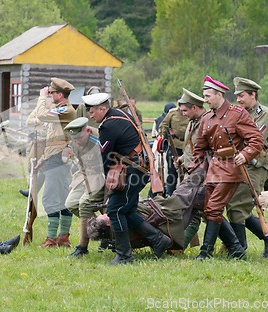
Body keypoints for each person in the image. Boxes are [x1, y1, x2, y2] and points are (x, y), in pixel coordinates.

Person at [84, 92, 171, 264]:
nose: (90, 114)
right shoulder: (119, 114)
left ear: (102, 108)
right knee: (128, 210)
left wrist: (110, 185)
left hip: (131, 172)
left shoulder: (108, 126)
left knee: (115, 211)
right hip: (138, 169)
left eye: (92, 111)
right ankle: (159, 240)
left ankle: (124, 256)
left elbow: (106, 159)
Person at [186, 75, 264, 260]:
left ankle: (205, 252)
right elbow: (200, 148)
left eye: (207, 96)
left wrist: (244, 155)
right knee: (208, 210)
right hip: (213, 169)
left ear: (219, 95)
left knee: (213, 208)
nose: (204, 100)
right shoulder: (206, 118)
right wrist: (192, 168)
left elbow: (256, 139)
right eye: (204, 96)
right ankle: (236, 249)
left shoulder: (237, 113)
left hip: (231, 169)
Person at [225, 77, 268, 258]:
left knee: (237, 205)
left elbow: (253, 139)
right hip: (241, 163)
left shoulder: (262, 113)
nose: (239, 99)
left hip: (257, 164)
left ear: (253, 95)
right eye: (237, 96)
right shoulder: (238, 112)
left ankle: (239, 248)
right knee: (236, 205)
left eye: (242, 95)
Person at [34, 77, 76, 247]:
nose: (50, 94)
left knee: (51, 197)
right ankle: (62, 238)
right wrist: (43, 159)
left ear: (60, 94)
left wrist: (41, 98)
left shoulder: (65, 110)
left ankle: (53, 239)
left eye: (52, 93)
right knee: (62, 197)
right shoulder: (61, 109)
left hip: (59, 157)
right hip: (55, 156)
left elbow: (41, 116)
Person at [63, 117, 105, 257]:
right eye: (75, 138)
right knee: (71, 203)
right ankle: (102, 230)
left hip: (101, 177)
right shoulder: (75, 140)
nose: (78, 141)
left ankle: (82, 247)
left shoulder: (99, 138)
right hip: (84, 176)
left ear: (87, 130)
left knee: (84, 204)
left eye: (80, 137)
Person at [174, 88, 207, 250]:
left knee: (202, 212)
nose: (183, 113)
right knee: (197, 211)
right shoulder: (194, 121)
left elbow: (207, 150)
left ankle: (233, 245)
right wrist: (182, 159)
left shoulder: (207, 122)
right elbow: (191, 146)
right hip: (191, 170)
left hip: (202, 173)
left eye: (185, 110)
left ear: (195, 107)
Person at [158, 103, 188, 196]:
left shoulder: (191, 113)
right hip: (175, 145)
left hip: (188, 146)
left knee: (188, 171)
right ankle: (169, 194)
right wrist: (166, 132)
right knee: (172, 172)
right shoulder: (172, 113)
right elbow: (163, 126)